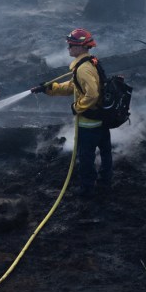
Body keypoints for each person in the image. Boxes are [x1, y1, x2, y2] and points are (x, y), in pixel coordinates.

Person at [32, 27, 112, 197]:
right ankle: (105, 182)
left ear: (81, 47)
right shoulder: (89, 63)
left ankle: (87, 190)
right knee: (105, 152)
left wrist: (77, 107)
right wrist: (50, 89)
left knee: (86, 158)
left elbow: (92, 94)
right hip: (101, 119)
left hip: (89, 124)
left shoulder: (83, 69)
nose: (68, 48)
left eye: (71, 45)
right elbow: (73, 87)